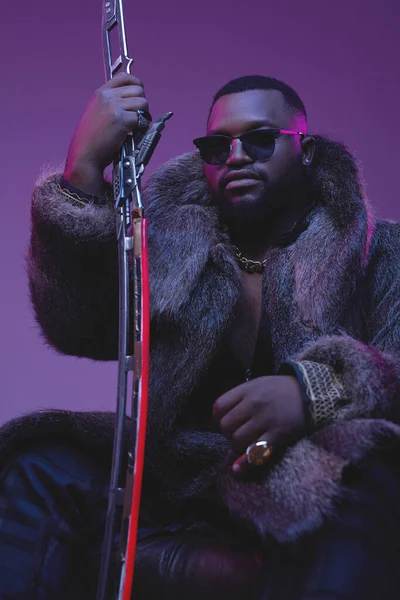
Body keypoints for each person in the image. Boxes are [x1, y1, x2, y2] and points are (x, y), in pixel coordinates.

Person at [1, 73, 400, 599]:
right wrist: (81, 172)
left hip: (305, 471)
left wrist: (313, 393)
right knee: (40, 466)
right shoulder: (169, 240)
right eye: (218, 145)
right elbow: (76, 326)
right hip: (180, 473)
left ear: (306, 152)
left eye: (260, 139)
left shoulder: (379, 251)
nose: (236, 156)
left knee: (366, 471)